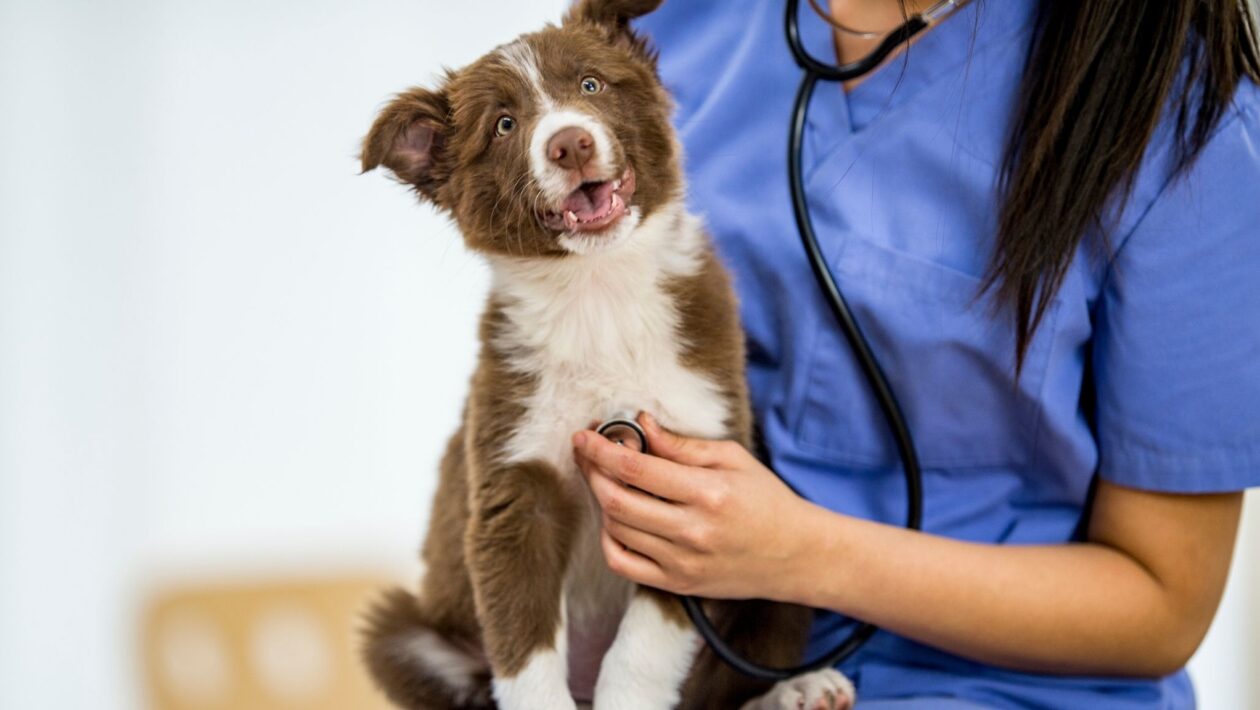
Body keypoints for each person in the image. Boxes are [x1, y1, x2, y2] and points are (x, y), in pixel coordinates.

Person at [569, 0, 1260, 706]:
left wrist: (799, 554)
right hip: (669, 645)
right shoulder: (662, 19)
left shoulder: (1181, 122)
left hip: (999, 683)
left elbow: (1162, 601)